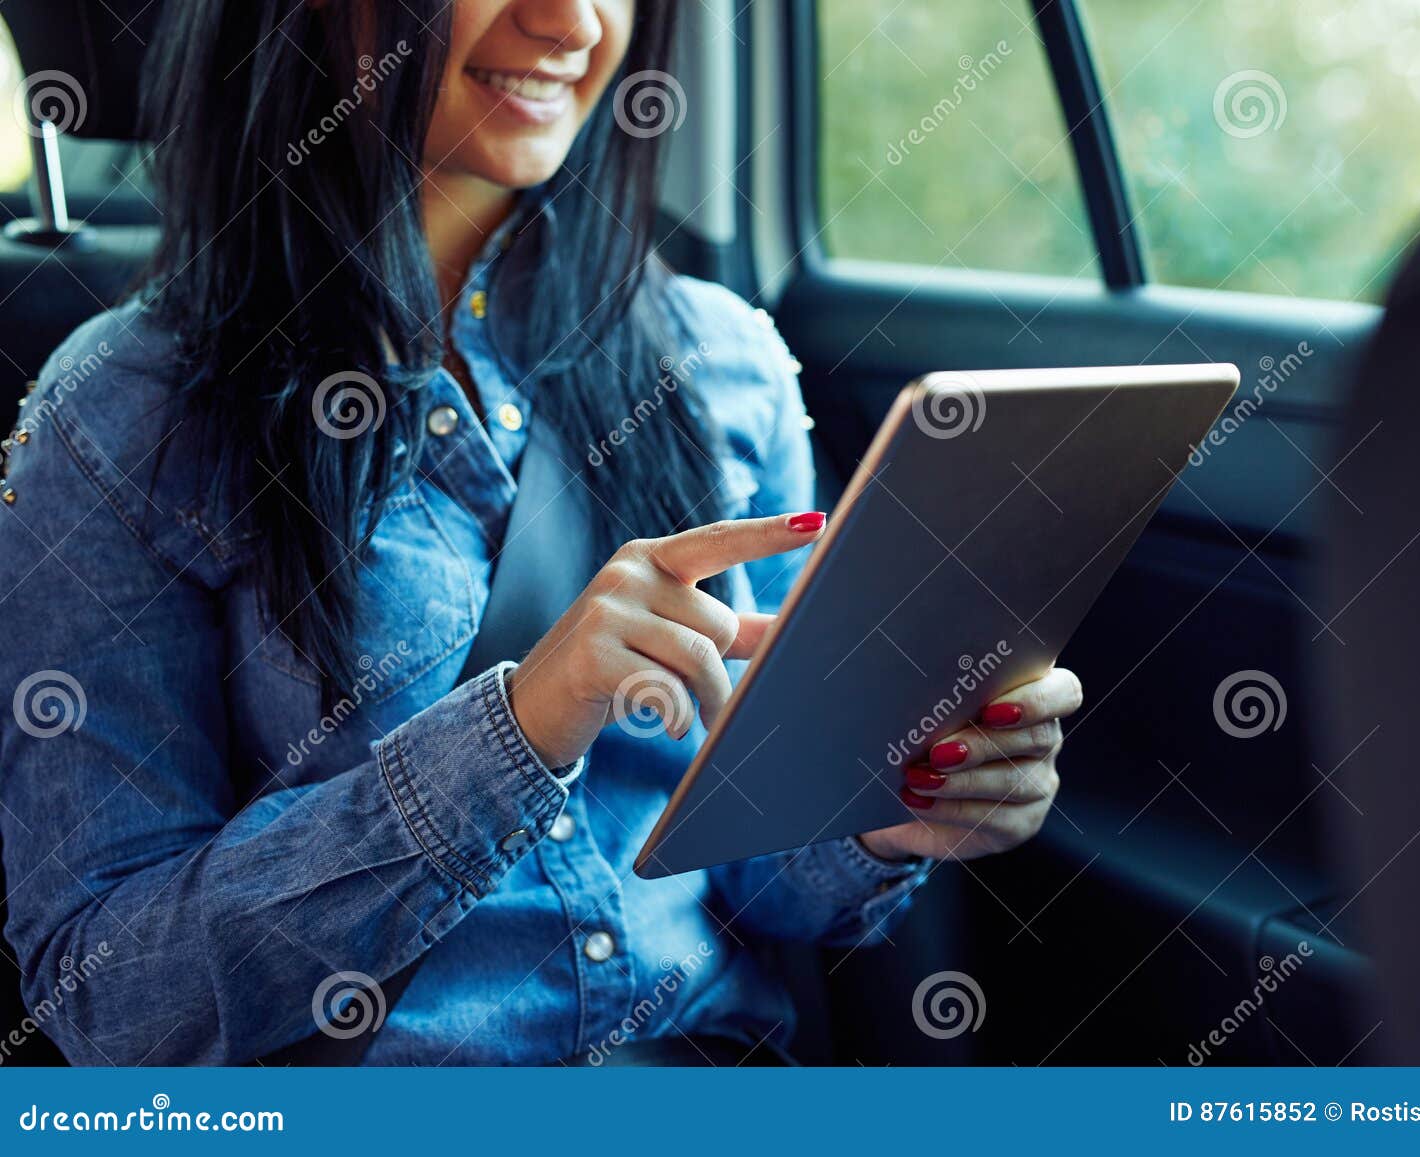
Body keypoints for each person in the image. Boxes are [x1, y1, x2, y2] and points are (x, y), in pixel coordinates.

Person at [0, 0, 1081, 1065]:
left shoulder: (719, 361)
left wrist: (889, 806)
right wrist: (515, 730)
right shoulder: (122, 413)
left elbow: (761, 880)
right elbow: (112, 1002)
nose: (570, 22)